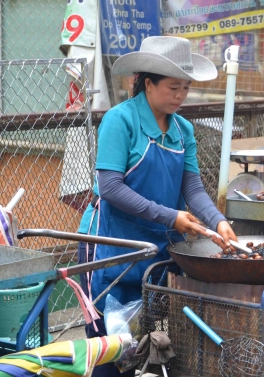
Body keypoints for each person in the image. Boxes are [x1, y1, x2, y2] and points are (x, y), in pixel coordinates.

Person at [77, 36, 238, 377]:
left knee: (155, 334)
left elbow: (191, 187)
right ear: (148, 84)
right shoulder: (120, 121)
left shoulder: (184, 130)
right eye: (173, 88)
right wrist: (171, 216)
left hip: (159, 245)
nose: (181, 96)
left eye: (186, 88)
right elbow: (110, 188)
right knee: (111, 346)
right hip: (111, 243)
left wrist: (217, 221)